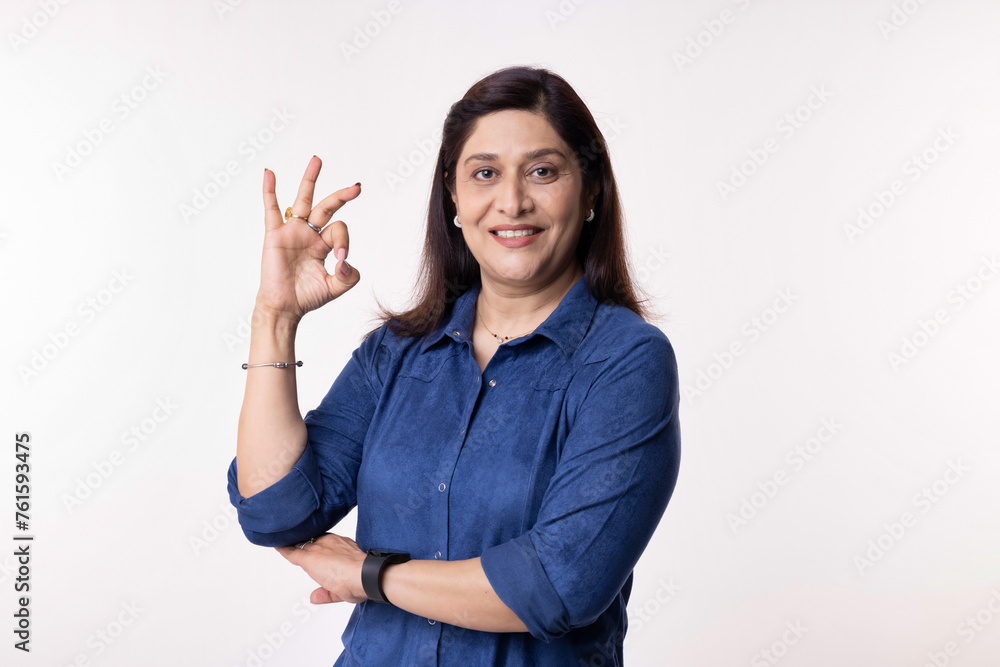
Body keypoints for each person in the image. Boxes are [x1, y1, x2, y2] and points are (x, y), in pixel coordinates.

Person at [227, 65, 681, 666]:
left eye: (543, 171)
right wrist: (274, 318)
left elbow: (555, 587)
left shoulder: (625, 365)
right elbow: (276, 509)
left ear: (591, 191)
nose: (512, 201)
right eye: (485, 173)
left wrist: (370, 575)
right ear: (454, 197)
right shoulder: (397, 353)